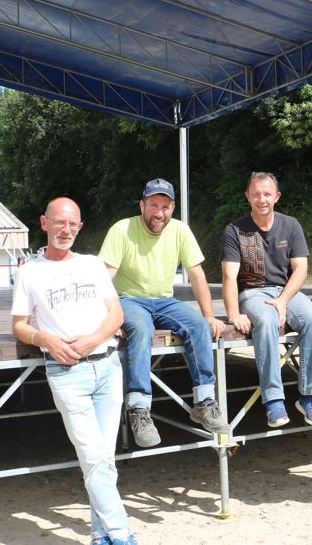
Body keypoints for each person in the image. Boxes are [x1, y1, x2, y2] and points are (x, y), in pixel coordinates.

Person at [11, 197, 137, 545]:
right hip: (67, 375)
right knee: (93, 457)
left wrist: (93, 339)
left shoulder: (93, 265)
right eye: (59, 223)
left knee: (103, 460)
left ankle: (101, 535)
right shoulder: (30, 272)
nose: (66, 230)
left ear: (79, 227)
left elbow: (116, 315)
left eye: (73, 224)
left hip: (108, 366)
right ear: (44, 223)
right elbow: (19, 325)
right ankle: (123, 535)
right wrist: (45, 339)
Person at [98, 178, 229, 448]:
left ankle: (205, 402)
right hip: (129, 299)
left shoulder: (180, 230)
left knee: (199, 326)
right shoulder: (122, 229)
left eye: (166, 207)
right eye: (154, 205)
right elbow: (104, 278)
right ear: (142, 205)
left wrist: (209, 314)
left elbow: (196, 274)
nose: (159, 212)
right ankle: (139, 410)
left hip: (164, 300)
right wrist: (108, 318)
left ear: (173, 208)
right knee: (141, 330)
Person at [221, 171, 312, 428]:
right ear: (248, 196)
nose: (262, 199)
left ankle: (310, 397)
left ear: (276, 196)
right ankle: (273, 399)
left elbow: (301, 269)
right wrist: (234, 313)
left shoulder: (291, 225)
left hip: (286, 289)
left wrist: (282, 300)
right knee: (266, 322)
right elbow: (228, 274)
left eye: (267, 194)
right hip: (253, 292)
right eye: (256, 194)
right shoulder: (234, 229)